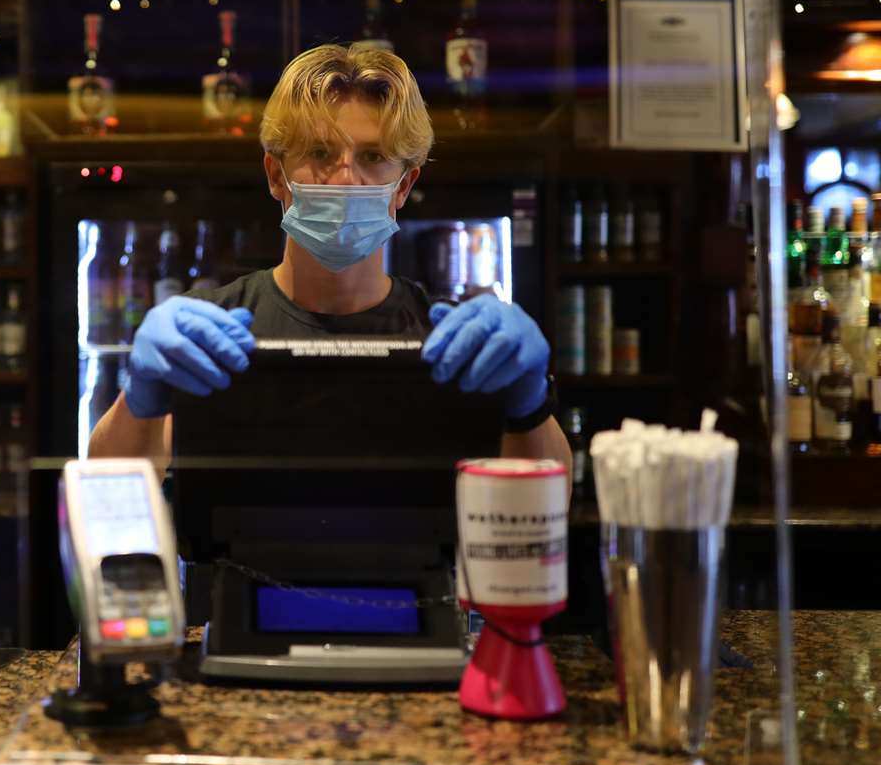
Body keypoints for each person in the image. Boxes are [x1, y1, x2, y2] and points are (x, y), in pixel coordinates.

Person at [89, 44, 571, 476]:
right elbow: (113, 495)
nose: (345, 178)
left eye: (373, 157)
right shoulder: (214, 335)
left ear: (403, 186)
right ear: (276, 176)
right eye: (321, 152)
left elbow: (545, 502)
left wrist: (527, 405)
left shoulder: (450, 342)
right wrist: (140, 396)